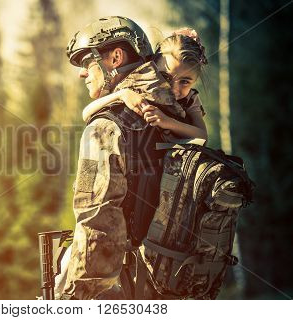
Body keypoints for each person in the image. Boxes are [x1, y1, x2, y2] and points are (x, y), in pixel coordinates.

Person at [60, 16, 184, 300]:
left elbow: (97, 223)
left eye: (86, 62)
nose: (82, 74)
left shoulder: (105, 127)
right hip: (172, 282)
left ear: (115, 57)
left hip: (126, 287)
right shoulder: (174, 114)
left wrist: (74, 299)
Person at [81, 27, 209, 142]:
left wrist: (167, 122)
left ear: (195, 80)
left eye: (185, 82)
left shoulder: (190, 100)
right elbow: (86, 113)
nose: (174, 89)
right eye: (165, 77)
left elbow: (202, 136)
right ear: (151, 68)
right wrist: (121, 94)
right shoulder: (140, 88)